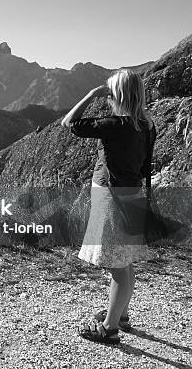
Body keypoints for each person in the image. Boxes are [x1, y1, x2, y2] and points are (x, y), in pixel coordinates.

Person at [61, 69, 156, 345]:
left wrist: (91, 94)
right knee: (124, 262)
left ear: (119, 95)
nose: (107, 98)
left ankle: (109, 328)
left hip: (112, 197)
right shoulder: (147, 124)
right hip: (133, 195)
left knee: (116, 266)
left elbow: (70, 123)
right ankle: (121, 315)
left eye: (110, 93)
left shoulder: (115, 125)